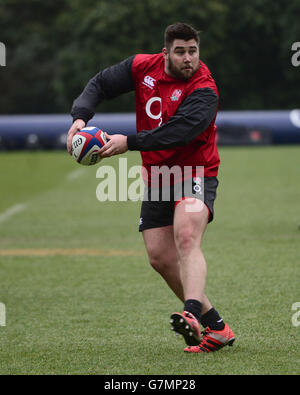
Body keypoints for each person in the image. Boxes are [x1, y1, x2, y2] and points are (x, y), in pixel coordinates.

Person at [67, 22, 235, 353]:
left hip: (195, 169)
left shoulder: (204, 88)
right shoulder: (143, 67)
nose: (189, 59)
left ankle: (190, 313)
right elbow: (100, 83)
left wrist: (127, 142)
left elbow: (179, 133)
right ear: (165, 53)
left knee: (186, 237)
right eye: (181, 52)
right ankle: (217, 327)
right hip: (158, 175)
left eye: (193, 51)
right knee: (160, 257)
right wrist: (79, 118)